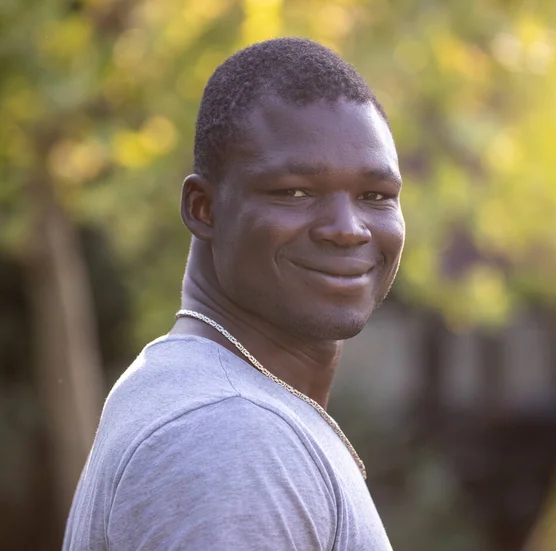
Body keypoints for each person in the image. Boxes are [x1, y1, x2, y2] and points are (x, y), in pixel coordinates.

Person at [63, 37, 405, 550]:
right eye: (294, 192)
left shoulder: (213, 398)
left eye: (375, 196)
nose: (348, 229)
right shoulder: (229, 433)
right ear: (204, 208)